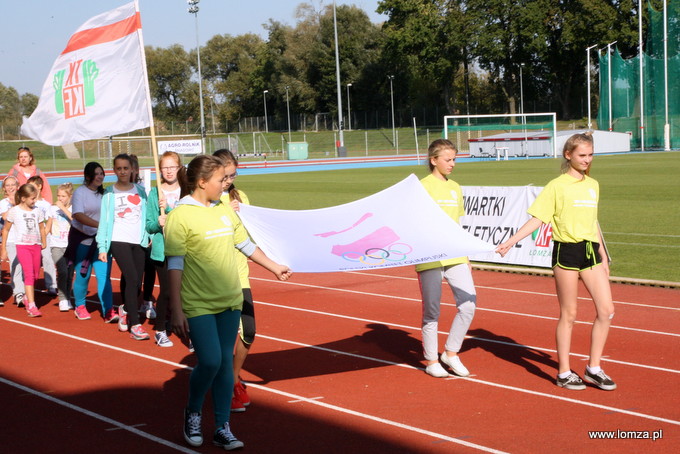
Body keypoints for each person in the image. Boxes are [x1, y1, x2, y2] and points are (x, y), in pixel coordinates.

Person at [165, 155, 292, 450]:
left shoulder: (223, 207)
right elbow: (174, 264)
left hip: (230, 299)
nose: (226, 184)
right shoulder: (181, 215)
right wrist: (177, 310)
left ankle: (223, 426)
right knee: (209, 361)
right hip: (198, 303)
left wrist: (274, 267)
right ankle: (193, 412)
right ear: (202, 182)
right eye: (221, 180)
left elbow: (243, 243)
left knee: (224, 364)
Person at [496, 132, 616, 391]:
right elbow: (538, 219)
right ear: (568, 155)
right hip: (566, 252)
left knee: (606, 311)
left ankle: (593, 368)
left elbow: (593, 222)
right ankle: (563, 372)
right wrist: (511, 240)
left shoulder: (593, 184)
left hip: (591, 252)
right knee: (569, 314)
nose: (587, 160)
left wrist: (604, 255)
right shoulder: (556, 186)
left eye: (590, 155)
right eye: (582, 155)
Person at [417, 139, 477, 378]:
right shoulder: (421, 186)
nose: (452, 164)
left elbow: (456, 224)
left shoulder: (455, 187)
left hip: (456, 254)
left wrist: (467, 255)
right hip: (430, 256)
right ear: (434, 160)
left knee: (468, 305)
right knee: (432, 311)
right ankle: (431, 360)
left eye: (454, 159)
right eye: (448, 159)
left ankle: (450, 353)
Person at [213, 149, 254, 412]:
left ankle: (233, 376)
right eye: (225, 176)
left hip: (240, 275)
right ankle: (226, 383)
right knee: (224, 338)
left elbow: (249, 236)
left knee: (248, 331)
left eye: (233, 175)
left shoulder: (242, 197)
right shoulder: (207, 201)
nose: (228, 181)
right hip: (217, 277)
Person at [96, 153, 150, 340]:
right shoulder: (109, 193)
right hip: (118, 240)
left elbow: (146, 217)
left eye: (126, 168)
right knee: (132, 278)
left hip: (139, 241)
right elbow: (104, 221)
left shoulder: (140, 192)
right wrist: (102, 247)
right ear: (114, 170)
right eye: (119, 168)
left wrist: (148, 235)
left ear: (132, 169)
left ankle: (125, 308)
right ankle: (135, 324)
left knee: (136, 282)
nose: (122, 172)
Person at [145, 151, 188, 347]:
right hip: (163, 250)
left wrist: (169, 211)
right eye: (165, 167)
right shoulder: (155, 193)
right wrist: (158, 221)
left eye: (173, 166)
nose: (169, 171)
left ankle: (189, 330)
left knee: (187, 292)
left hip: (186, 248)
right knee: (168, 291)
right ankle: (161, 329)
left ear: (179, 167)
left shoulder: (187, 190)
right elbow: (149, 225)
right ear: (159, 169)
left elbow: (188, 217)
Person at [66, 162, 117, 323]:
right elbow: (78, 215)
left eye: (102, 173)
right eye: (96, 173)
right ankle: (80, 306)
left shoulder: (105, 194)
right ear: (88, 176)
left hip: (101, 242)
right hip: (83, 240)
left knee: (104, 276)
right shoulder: (80, 192)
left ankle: (108, 310)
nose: (100, 176)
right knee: (83, 275)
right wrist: (101, 225)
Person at [0, 183, 47, 317]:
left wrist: (43, 242)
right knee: (29, 275)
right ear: (23, 198)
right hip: (22, 246)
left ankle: (27, 297)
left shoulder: (37, 211)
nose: (34, 201)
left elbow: (42, 228)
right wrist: (3, 248)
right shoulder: (14, 211)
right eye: (32, 198)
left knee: (36, 274)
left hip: (36, 245)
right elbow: (6, 229)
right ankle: (32, 306)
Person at [46, 183, 75, 312]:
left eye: (63, 196)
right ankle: (62, 299)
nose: (60, 198)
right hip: (56, 245)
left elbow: (74, 220)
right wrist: (41, 239)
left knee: (69, 274)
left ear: (70, 196)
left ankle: (68, 297)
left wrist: (63, 208)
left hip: (71, 245)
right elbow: (48, 226)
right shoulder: (52, 209)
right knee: (62, 271)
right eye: (58, 195)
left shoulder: (73, 209)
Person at [27, 175, 58, 296]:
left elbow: (49, 220)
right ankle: (29, 284)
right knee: (32, 262)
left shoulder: (46, 204)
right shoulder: (29, 203)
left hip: (45, 236)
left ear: (39, 186)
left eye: (32, 185)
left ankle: (51, 285)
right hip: (30, 236)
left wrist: (45, 233)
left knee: (48, 259)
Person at [0, 176, 25, 307]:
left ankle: (24, 291)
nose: (10, 187)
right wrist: (14, 204)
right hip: (11, 239)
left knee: (27, 267)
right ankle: (18, 293)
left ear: (18, 186)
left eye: (13, 185)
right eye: (7, 185)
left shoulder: (23, 201)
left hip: (25, 239)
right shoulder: (3, 203)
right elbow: (5, 216)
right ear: (4, 188)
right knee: (16, 266)